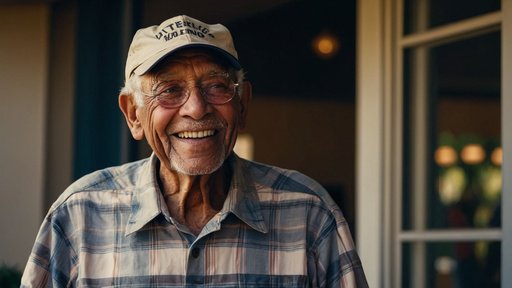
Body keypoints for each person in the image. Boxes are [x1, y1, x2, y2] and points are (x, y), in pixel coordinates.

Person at [21, 15, 368, 287]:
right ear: (133, 114)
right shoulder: (79, 215)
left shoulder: (309, 212)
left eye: (217, 86)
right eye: (169, 90)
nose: (197, 109)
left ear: (242, 104)